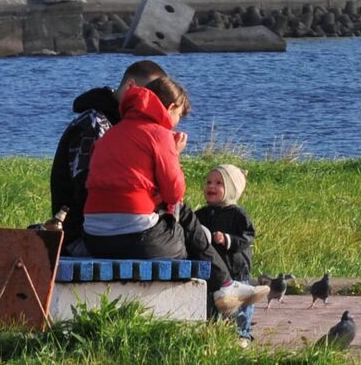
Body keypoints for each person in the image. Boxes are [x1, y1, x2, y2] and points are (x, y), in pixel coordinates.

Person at [45, 59, 170, 250]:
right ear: (131, 86)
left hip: (115, 226)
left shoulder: (126, 126)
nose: (155, 106)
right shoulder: (93, 125)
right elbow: (86, 191)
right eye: (151, 96)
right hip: (84, 233)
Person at [78, 76, 192, 260]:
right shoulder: (159, 134)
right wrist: (175, 155)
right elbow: (174, 194)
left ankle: (223, 280)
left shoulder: (109, 134)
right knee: (180, 236)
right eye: (178, 115)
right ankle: (213, 283)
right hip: (137, 236)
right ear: (170, 108)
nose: (176, 122)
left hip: (94, 237)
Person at [195, 164, 257, 341]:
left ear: (231, 189)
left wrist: (227, 239)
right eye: (208, 182)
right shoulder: (201, 214)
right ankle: (214, 332)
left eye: (218, 183)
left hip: (235, 268)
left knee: (239, 305)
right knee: (213, 303)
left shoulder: (238, 214)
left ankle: (241, 335)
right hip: (213, 270)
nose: (211, 186)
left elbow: (248, 237)